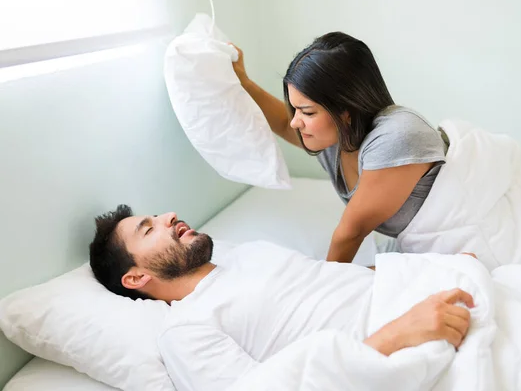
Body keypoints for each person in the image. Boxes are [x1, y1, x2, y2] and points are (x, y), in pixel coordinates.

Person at [89, 205, 474, 390]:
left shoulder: (242, 253)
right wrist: (400, 334)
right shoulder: (185, 330)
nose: (168, 216)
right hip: (404, 346)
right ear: (136, 276)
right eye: (148, 228)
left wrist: (433, 267)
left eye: (156, 215)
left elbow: (337, 280)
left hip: (427, 296)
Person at [230, 32, 448, 264]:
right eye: (295, 110)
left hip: (462, 239)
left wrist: (327, 284)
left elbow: (350, 233)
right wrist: (242, 82)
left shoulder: (397, 138)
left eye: (307, 112)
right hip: (419, 245)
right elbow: (285, 123)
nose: (295, 121)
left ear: (346, 111)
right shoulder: (338, 134)